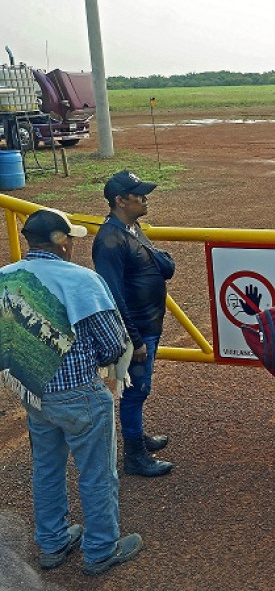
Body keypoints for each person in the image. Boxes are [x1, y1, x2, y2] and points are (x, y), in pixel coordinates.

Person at [0, 208, 143, 575]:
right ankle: (100, 549)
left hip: (33, 394)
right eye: (71, 239)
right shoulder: (82, 280)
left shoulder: (5, 278)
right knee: (96, 473)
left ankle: (52, 542)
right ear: (60, 242)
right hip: (79, 393)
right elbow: (113, 345)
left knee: (46, 470)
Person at [92, 170, 175, 477]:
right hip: (135, 330)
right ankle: (135, 456)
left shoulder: (131, 228)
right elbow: (113, 295)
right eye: (138, 194)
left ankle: (136, 437)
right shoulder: (110, 241)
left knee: (138, 388)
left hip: (147, 324)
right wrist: (134, 338)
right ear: (119, 200)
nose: (145, 198)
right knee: (135, 390)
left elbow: (164, 267)